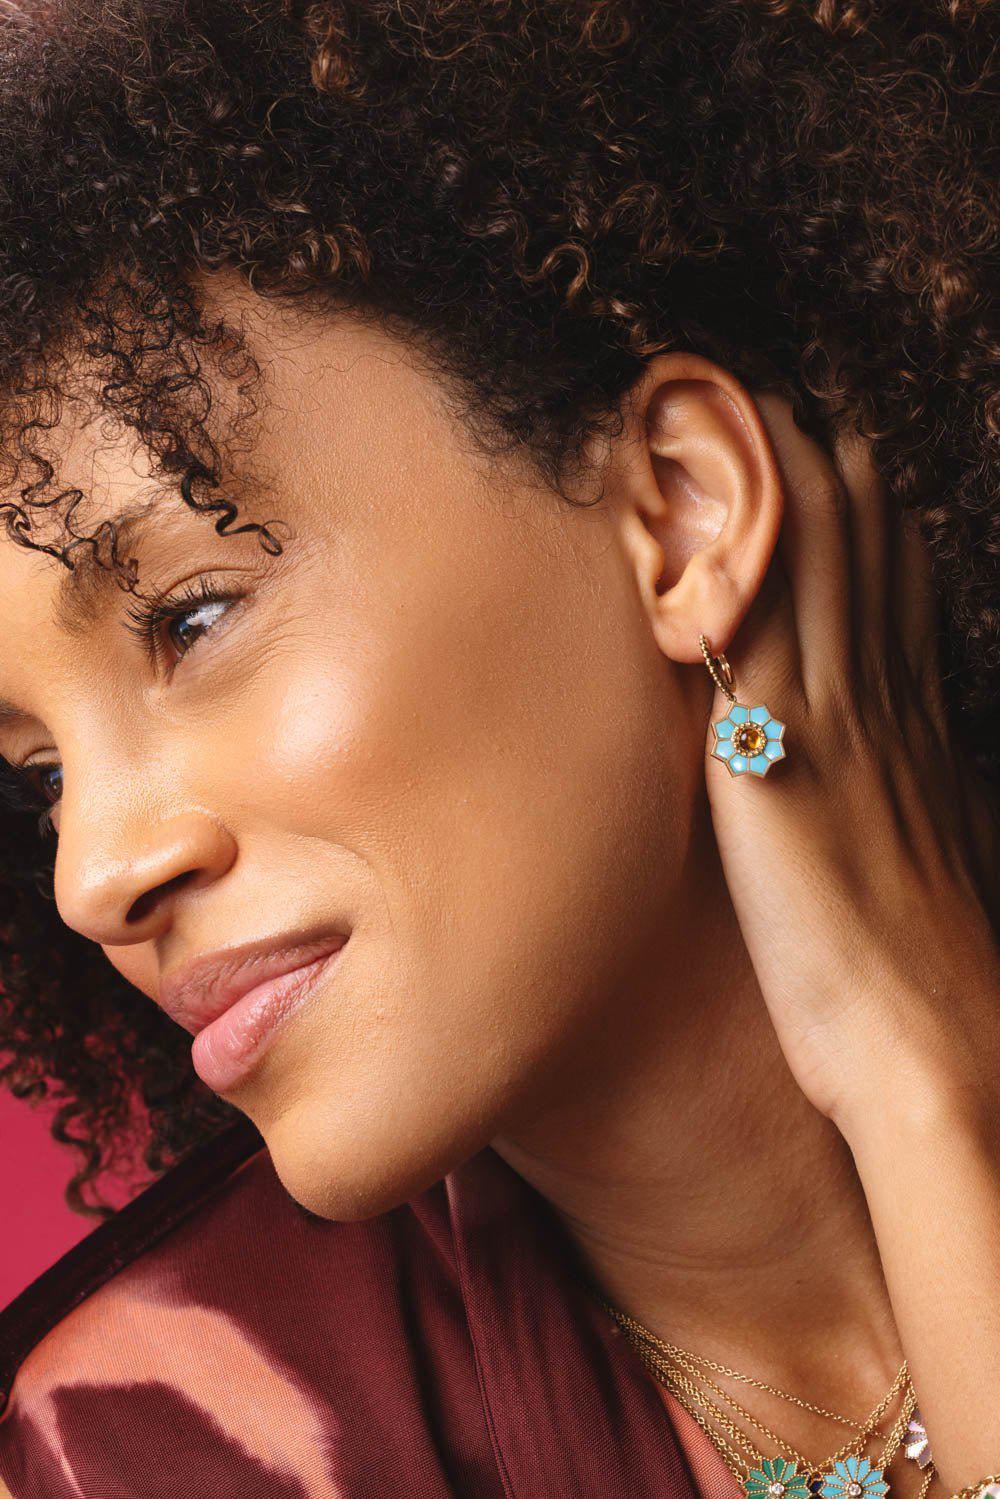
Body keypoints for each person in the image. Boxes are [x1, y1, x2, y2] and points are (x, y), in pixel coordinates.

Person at [0, 1, 997, 1495]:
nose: (92, 878)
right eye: (42, 778)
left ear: (679, 511)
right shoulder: (171, 1440)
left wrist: (920, 1086)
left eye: (191, 619)